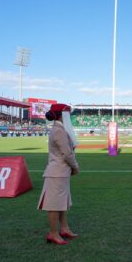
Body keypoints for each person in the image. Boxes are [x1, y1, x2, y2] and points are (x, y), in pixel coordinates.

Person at [38, 103, 80, 245]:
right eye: (68, 114)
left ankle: (64, 229)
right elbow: (67, 153)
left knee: (62, 203)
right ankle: (53, 233)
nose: (70, 117)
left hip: (60, 172)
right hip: (57, 172)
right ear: (62, 115)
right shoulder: (59, 131)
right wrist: (75, 167)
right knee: (55, 205)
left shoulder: (60, 129)